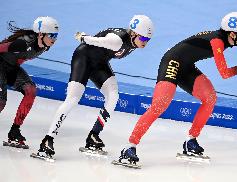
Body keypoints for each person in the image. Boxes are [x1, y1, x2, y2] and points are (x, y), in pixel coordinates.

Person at [118, 12, 237, 163]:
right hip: (172, 62)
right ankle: (129, 146)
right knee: (159, 105)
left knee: (210, 98)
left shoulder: (224, 40)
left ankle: (190, 141)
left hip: (186, 66)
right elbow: (225, 73)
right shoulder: (218, 41)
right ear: (233, 34)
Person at [36, 15, 154, 158]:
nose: (145, 42)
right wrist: (83, 37)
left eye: (148, 40)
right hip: (83, 58)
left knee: (113, 95)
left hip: (100, 63)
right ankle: (48, 139)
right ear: (133, 33)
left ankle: (93, 135)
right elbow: (95, 40)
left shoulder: (133, 41)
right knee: (73, 99)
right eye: (143, 39)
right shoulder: (117, 40)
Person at [0, 17, 59, 148]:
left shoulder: (45, 45)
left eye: (56, 36)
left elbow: (20, 58)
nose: (54, 39)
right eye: (52, 35)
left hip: (12, 67)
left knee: (30, 91)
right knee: (1, 103)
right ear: (41, 34)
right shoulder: (23, 43)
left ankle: (14, 131)